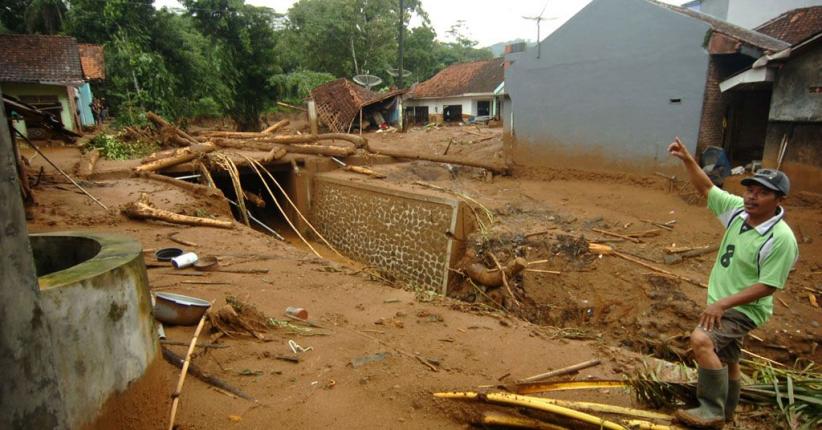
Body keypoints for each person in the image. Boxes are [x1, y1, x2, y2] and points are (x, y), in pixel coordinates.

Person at [667, 137, 798, 428]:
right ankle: (727, 411)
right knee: (729, 358)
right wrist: (688, 159)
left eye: (762, 193)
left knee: (701, 340)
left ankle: (710, 410)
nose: (752, 196)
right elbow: (707, 188)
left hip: (746, 307)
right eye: (750, 189)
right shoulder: (739, 212)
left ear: (779, 200)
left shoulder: (780, 239)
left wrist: (722, 304)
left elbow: (769, 285)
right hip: (723, 302)